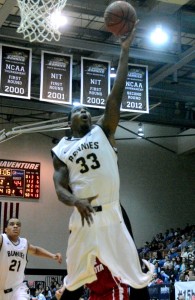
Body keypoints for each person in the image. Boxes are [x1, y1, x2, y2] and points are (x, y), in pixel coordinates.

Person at [52, 22, 154, 298]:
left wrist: (125, 50)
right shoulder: (61, 149)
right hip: (82, 216)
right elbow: (60, 188)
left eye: (87, 109)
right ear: (69, 120)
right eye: (78, 110)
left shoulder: (103, 130)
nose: (85, 112)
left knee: (136, 274)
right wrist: (75, 201)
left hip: (111, 212)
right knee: (72, 282)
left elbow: (115, 95)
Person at [0, 218, 62, 300]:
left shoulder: (24, 243)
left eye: (18, 225)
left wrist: (52, 256)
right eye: (11, 224)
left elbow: (36, 250)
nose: (15, 226)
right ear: (5, 229)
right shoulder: (2, 239)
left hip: (17, 289)